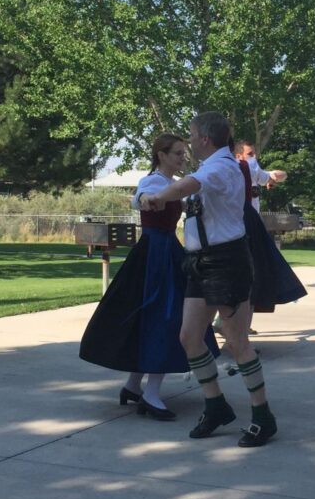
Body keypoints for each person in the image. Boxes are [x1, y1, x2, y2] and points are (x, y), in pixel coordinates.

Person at [139, 111, 277, 447]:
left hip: (226, 262)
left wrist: (160, 197)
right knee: (189, 336)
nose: (188, 142)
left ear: (204, 138)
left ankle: (263, 416)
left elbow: (187, 187)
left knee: (237, 342)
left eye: (191, 134)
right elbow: (188, 188)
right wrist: (148, 194)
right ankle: (216, 405)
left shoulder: (222, 166)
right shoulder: (210, 166)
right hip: (200, 262)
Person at [79, 134, 216, 420]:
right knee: (165, 319)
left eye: (183, 152)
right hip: (156, 254)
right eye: (177, 153)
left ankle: (133, 386)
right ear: (161, 155)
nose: (182, 157)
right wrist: (144, 200)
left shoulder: (172, 184)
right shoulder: (153, 181)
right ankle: (151, 395)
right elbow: (139, 197)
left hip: (165, 252)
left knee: (156, 318)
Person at [234, 142, 306, 316]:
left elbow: (280, 175)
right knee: (245, 275)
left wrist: (273, 176)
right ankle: (231, 325)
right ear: (238, 156)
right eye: (250, 153)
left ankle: (237, 324)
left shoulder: (252, 169)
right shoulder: (238, 168)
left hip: (249, 226)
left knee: (250, 276)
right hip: (236, 228)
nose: (254, 157)